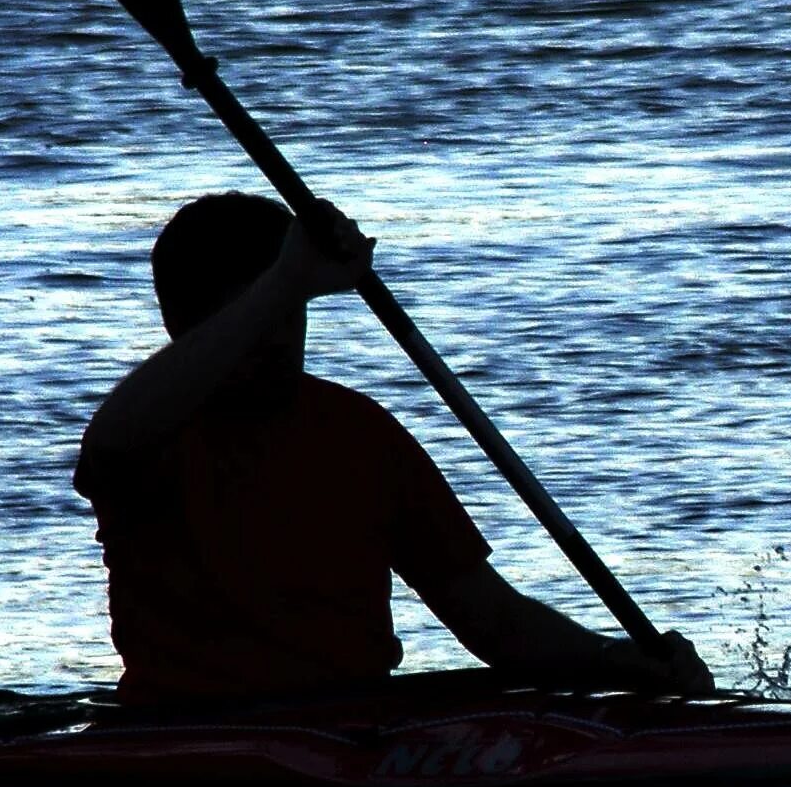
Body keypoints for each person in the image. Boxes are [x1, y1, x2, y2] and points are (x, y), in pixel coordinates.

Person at [74, 190, 715, 707]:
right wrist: (283, 281)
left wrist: (611, 663)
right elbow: (109, 441)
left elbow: (492, 618)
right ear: (179, 324)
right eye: (248, 315)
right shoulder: (153, 435)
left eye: (288, 312)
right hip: (189, 734)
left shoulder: (360, 431)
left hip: (356, 727)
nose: (271, 338)